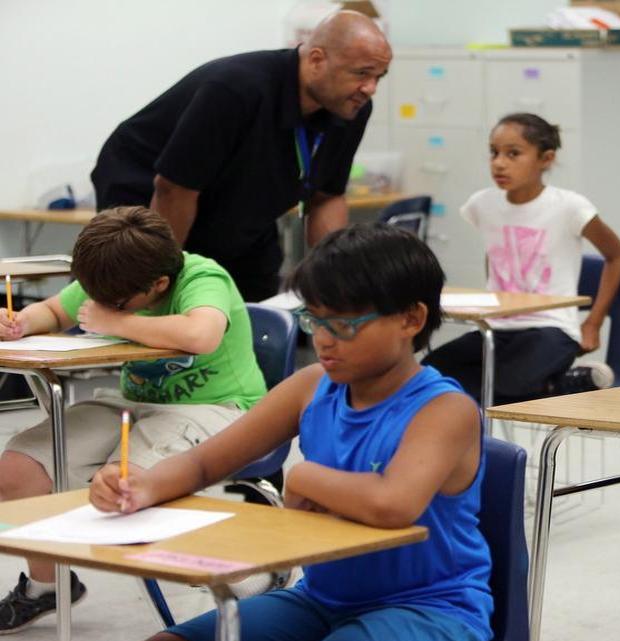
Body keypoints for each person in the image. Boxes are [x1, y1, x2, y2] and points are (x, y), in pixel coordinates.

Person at [88, 224, 491, 641]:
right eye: (314, 320)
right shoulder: (312, 386)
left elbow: (392, 504)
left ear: (411, 318)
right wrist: (142, 486)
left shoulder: (443, 409)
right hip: (320, 599)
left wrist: (302, 476)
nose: (322, 340)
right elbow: (205, 461)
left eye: (343, 325)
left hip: (428, 608)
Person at [0, 206, 266, 633]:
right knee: (17, 472)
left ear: (158, 283)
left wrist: (116, 321)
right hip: (131, 403)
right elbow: (54, 311)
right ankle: (47, 586)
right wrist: (21, 322)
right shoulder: (115, 278)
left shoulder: (201, 277)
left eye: (117, 303)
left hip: (216, 410)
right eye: (95, 296)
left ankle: (256, 579)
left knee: (126, 490)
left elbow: (202, 334)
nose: (101, 305)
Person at [90, 11, 392, 302]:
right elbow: (174, 188)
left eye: (379, 76)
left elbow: (327, 197)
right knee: (147, 298)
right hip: (150, 196)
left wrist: (334, 282)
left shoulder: (352, 108)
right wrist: (161, 282)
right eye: (362, 73)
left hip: (235, 208)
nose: (370, 88)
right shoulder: (237, 89)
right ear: (316, 60)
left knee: (255, 306)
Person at [422, 113, 620, 403]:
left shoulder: (569, 207)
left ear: (546, 158)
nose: (499, 162)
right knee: (431, 373)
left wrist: (592, 324)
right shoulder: (482, 204)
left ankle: (559, 383)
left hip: (552, 328)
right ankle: (568, 384)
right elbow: (494, 255)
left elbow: (616, 255)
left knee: (506, 382)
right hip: (497, 327)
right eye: (494, 153)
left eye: (513, 153)